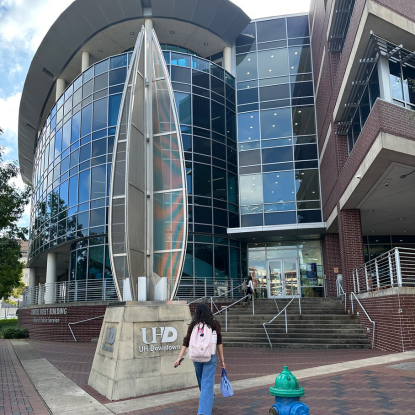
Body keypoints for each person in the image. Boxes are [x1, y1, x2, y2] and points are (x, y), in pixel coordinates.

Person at [174, 303, 225, 415]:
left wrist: (179, 358)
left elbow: (186, 341)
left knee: (202, 381)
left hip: (196, 357)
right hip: (210, 357)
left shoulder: (193, 325)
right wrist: (222, 360)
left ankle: (204, 410)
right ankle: (207, 399)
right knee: (206, 383)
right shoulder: (214, 324)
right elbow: (219, 342)